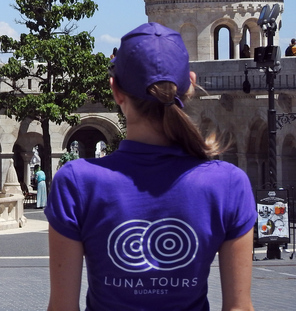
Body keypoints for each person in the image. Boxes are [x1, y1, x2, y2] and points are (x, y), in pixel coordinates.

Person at [45, 23, 255, 311]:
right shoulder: (228, 182)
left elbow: (62, 307)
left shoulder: (78, 182)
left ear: (116, 91)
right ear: (190, 84)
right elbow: (239, 307)